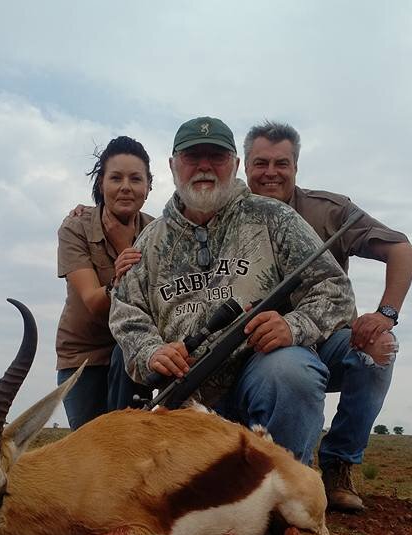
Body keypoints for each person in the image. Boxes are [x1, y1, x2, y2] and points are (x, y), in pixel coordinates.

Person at [109, 116, 354, 465]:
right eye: (193, 157)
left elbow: (334, 288)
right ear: (173, 165)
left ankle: (286, 492)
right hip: (184, 392)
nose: (205, 167)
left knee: (291, 371)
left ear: (235, 164)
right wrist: (152, 351)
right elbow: (126, 311)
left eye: (217, 157)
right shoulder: (151, 239)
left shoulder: (275, 219)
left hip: (259, 373)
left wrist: (293, 326)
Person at [243, 121, 412, 511]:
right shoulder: (232, 214)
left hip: (328, 341)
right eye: (261, 163)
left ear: (296, 167)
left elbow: (403, 250)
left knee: (379, 349)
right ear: (245, 167)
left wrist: (385, 313)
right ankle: (287, 478)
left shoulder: (329, 210)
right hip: (263, 351)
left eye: (281, 163)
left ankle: (339, 464)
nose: (271, 173)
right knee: (286, 370)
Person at [56, 136, 154, 429]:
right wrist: (124, 264)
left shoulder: (157, 231)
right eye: (116, 178)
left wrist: (125, 245)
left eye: (136, 179)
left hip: (134, 352)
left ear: (148, 187)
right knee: (90, 458)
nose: (126, 187)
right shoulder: (75, 227)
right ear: (101, 184)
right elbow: (95, 303)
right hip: (83, 356)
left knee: (128, 446)